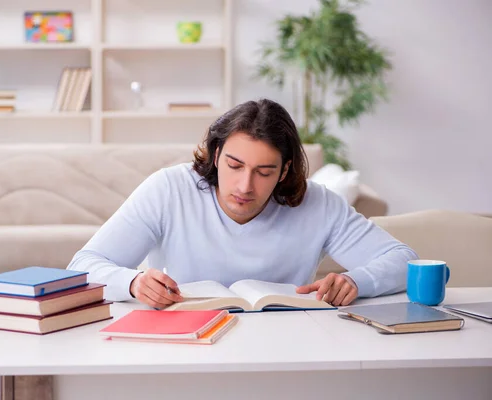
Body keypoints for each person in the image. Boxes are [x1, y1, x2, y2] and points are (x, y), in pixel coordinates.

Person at [67, 99, 418, 309]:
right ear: (216, 155)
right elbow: (82, 266)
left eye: (264, 172)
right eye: (234, 166)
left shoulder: (318, 203)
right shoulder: (168, 188)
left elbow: (406, 261)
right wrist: (131, 283)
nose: (244, 186)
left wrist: (357, 281)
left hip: (286, 347)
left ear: (284, 172)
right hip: (183, 345)